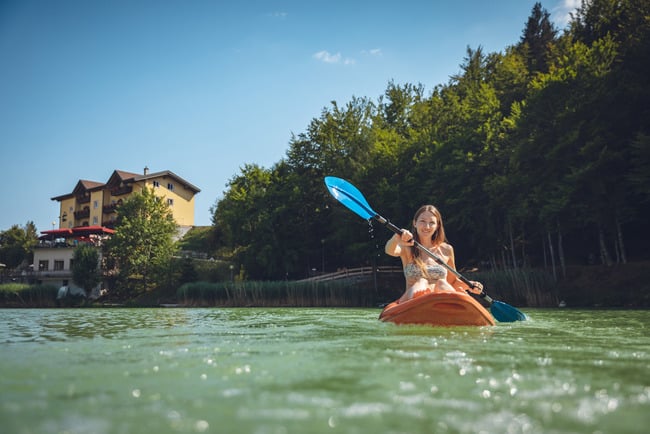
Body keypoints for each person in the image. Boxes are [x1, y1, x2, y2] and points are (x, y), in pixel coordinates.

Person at [385, 204, 484, 303]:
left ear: (437, 226)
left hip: (440, 301)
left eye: (432, 222)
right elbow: (389, 250)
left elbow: (452, 282)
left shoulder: (446, 249)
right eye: (422, 221)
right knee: (422, 282)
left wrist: (470, 285)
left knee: (441, 283)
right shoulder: (406, 246)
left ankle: (451, 308)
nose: (427, 226)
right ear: (415, 223)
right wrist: (395, 238)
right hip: (413, 301)